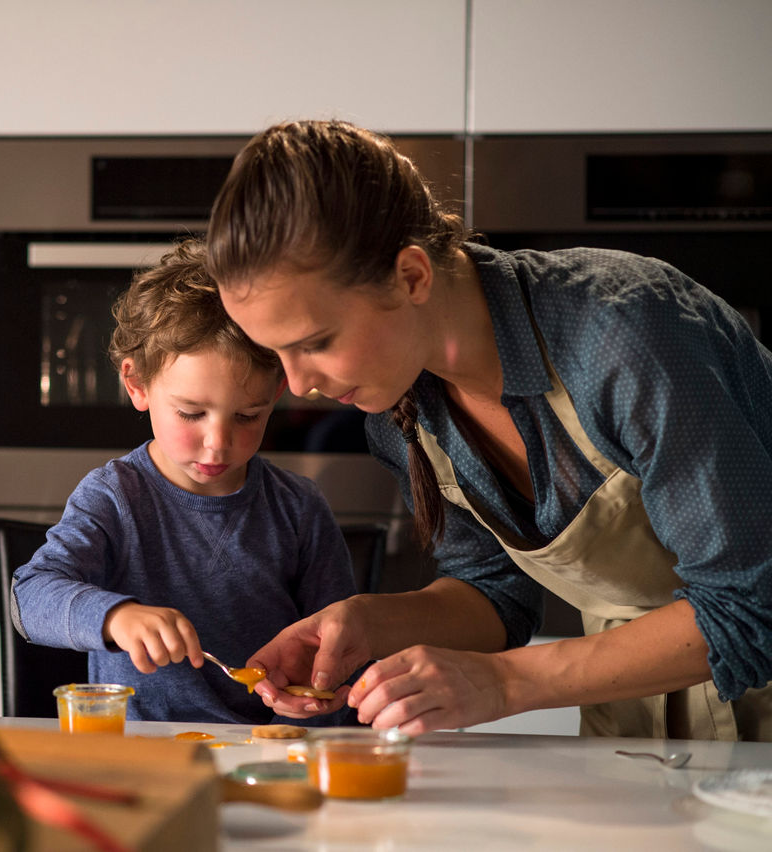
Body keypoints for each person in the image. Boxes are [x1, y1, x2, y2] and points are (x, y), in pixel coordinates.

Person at [204, 119, 772, 740]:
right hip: (637, 727)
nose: (298, 383)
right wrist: (366, 623)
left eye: (316, 343)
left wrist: (505, 683)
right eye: (276, 353)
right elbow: (497, 598)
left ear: (412, 276)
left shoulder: (623, 335)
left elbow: (751, 605)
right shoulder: (402, 414)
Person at [10, 238, 358, 724]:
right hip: (141, 754)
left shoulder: (298, 507)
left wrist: (311, 707)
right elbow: (30, 598)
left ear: (277, 393)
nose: (218, 443)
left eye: (247, 415)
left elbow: (341, 649)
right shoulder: (115, 496)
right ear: (137, 385)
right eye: (191, 413)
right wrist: (115, 616)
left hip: (267, 753)